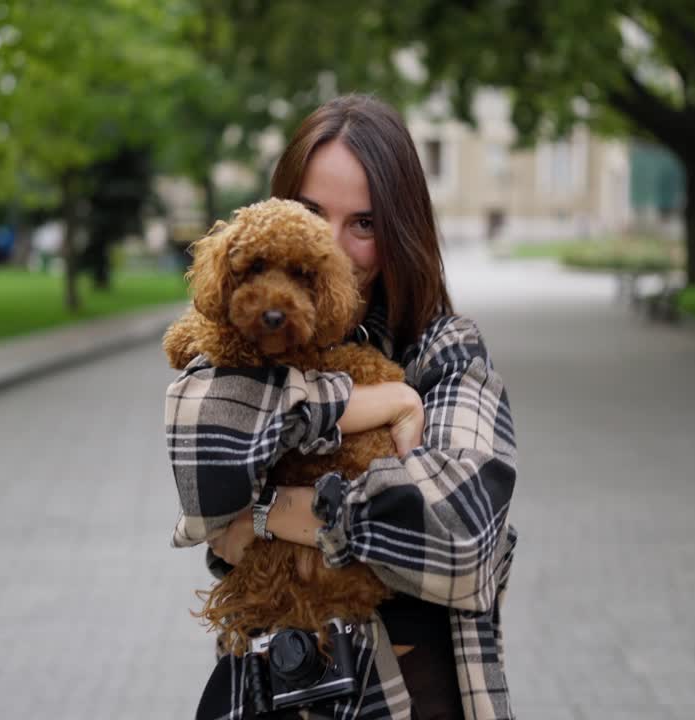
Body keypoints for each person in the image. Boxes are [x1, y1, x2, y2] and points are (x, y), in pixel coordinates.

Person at [166, 94, 518, 720]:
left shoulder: (447, 351)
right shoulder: (242, 333)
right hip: (272, 689)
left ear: (398, 232)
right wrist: (369, 402)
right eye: (308, 213)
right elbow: (203, 460)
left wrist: (269, 513)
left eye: (363, 223)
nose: (329, 244)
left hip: (409, 695)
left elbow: (462, 543)